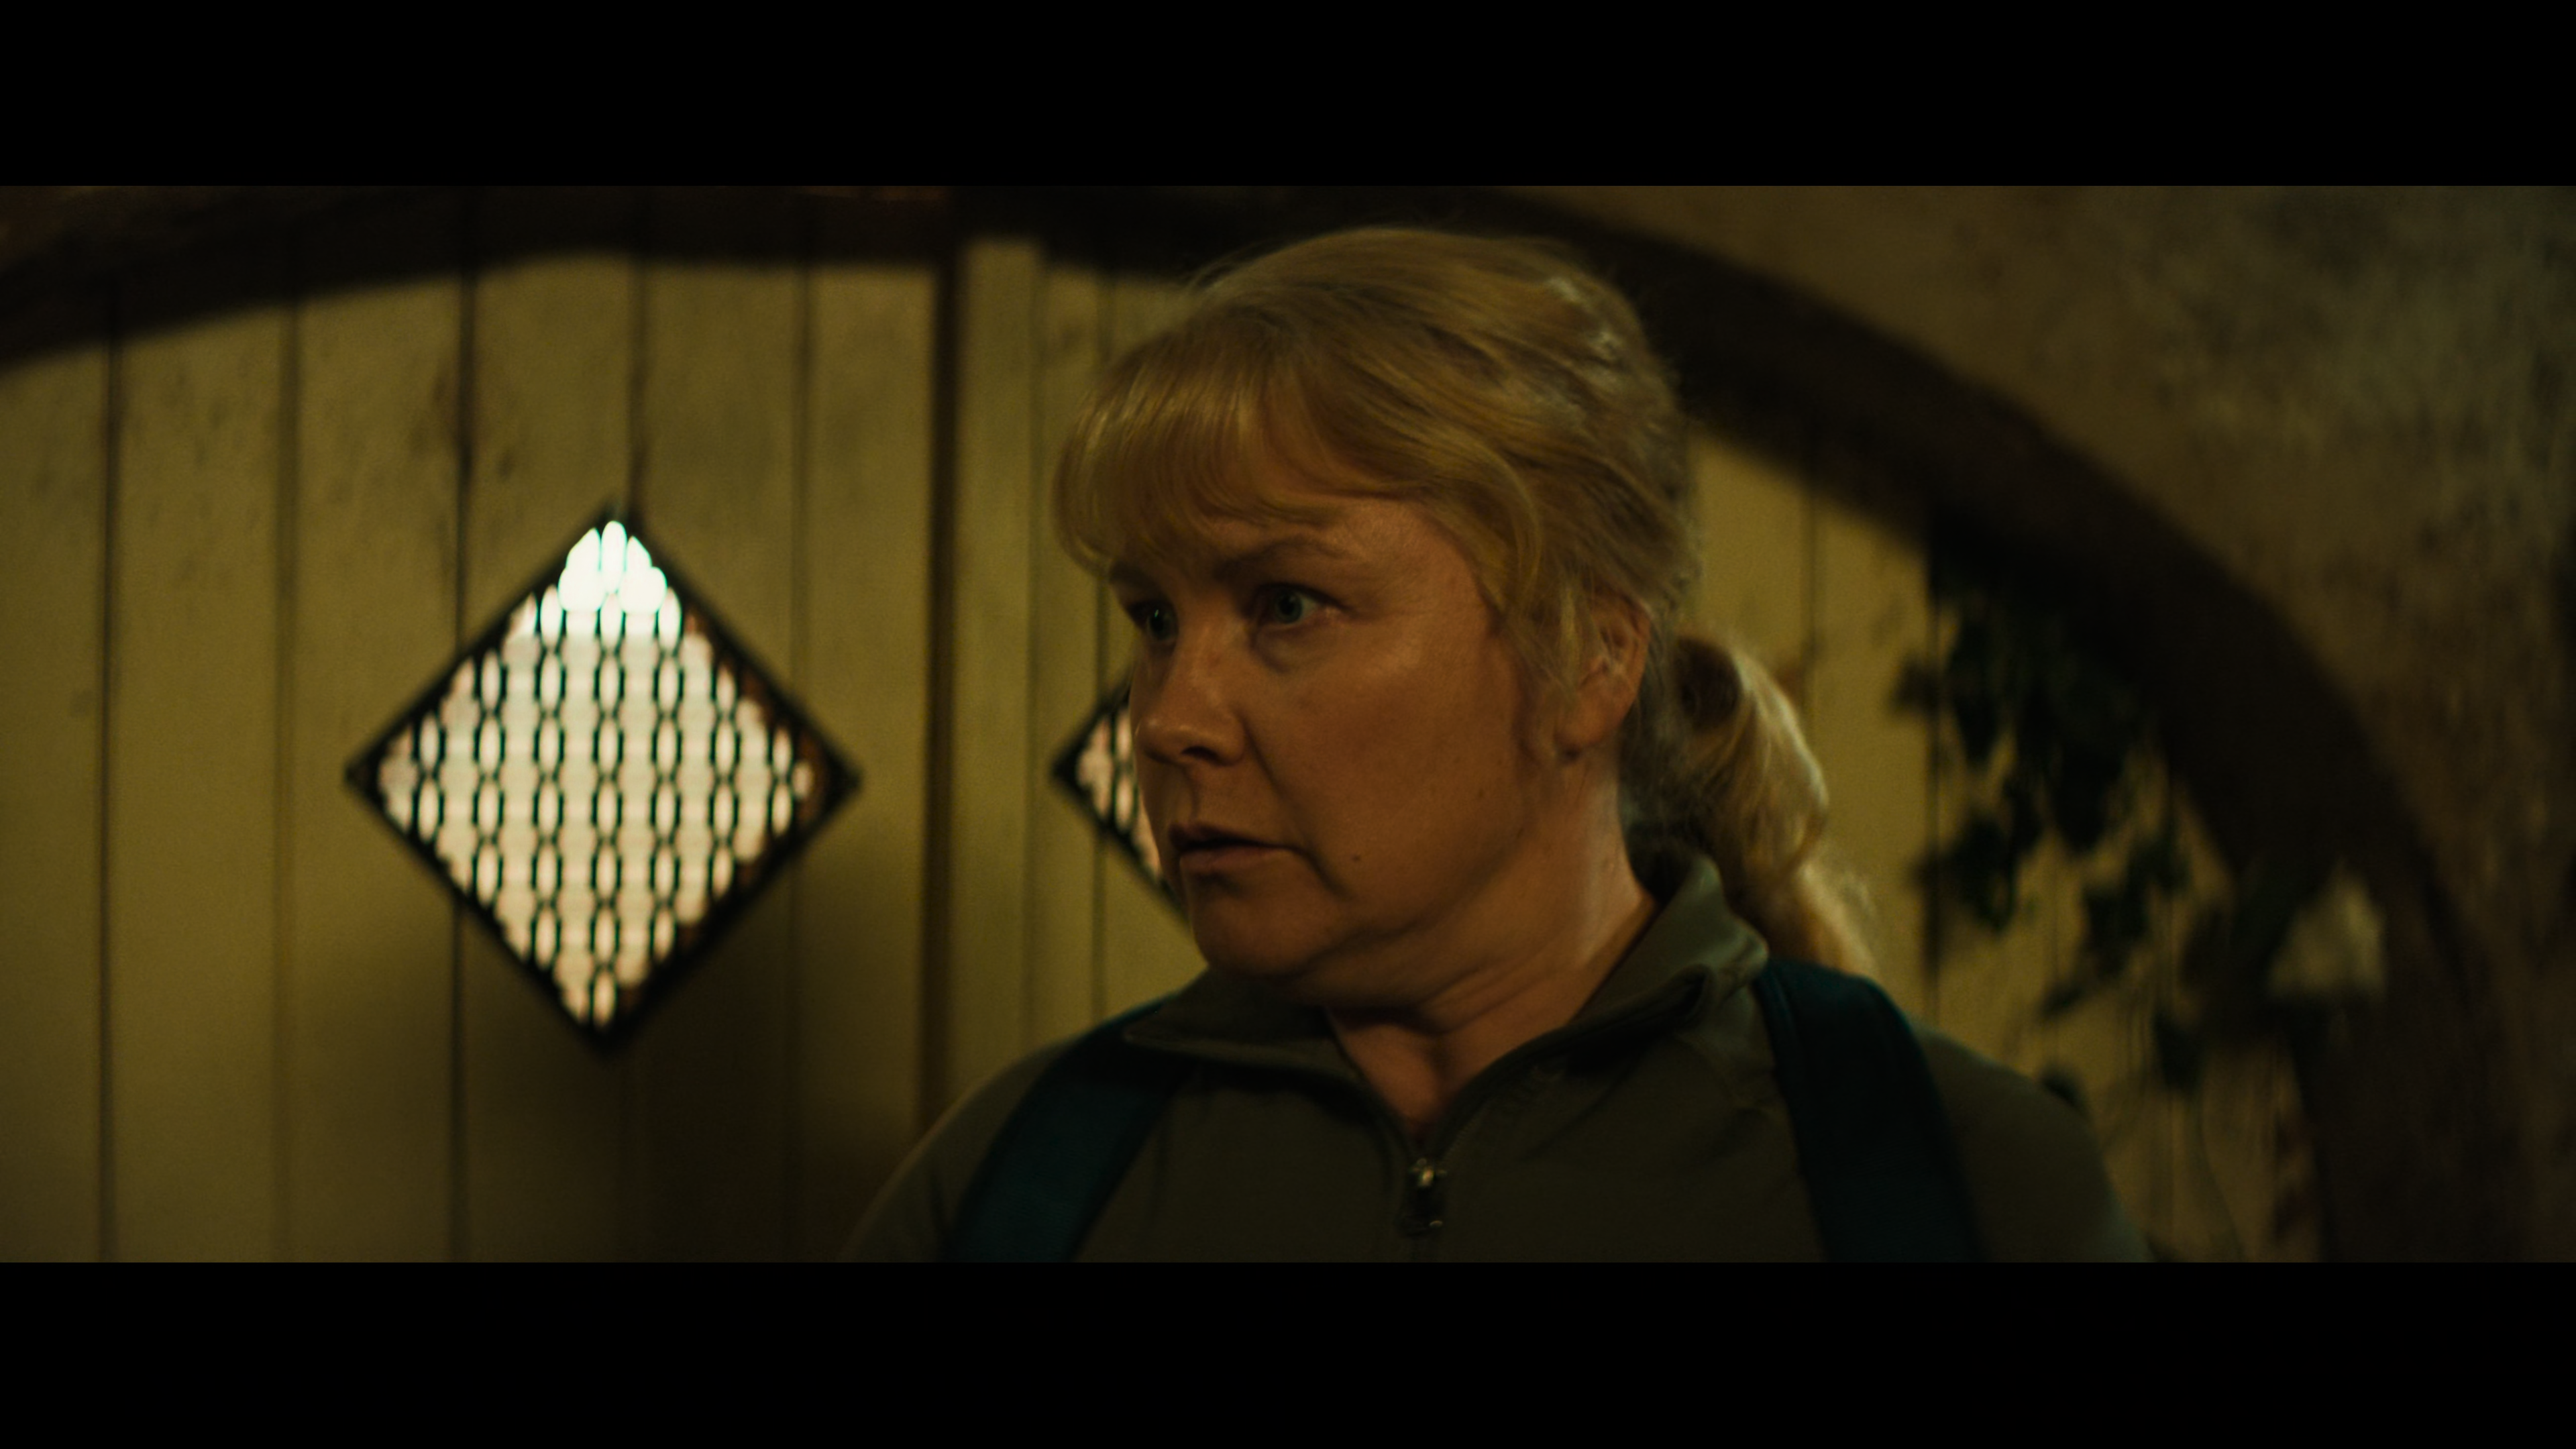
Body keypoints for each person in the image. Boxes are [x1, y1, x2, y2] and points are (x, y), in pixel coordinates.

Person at [847, 228, 2149, 1260]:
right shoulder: (1027, 1184)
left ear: (1591, 657)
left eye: (1287, 606)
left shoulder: (1959, 1188)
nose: (1170, 719)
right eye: (1152, 619)